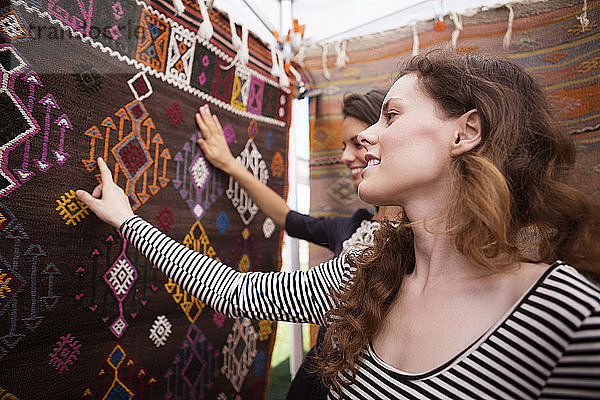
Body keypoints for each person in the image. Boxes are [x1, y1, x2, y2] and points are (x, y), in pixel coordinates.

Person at [77, 51, 600, 399]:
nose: (366, 139)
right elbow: (240, 293)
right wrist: (129, 221)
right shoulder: (370, 262)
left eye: (390, 117)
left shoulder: (570, 317)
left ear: (466, 133)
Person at [195, 89, 402, 400]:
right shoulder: (351, 227)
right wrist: (230, 164)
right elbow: (286, 218)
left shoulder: (424, 245)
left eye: (356, 143)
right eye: (344, 145)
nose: (345, 157)